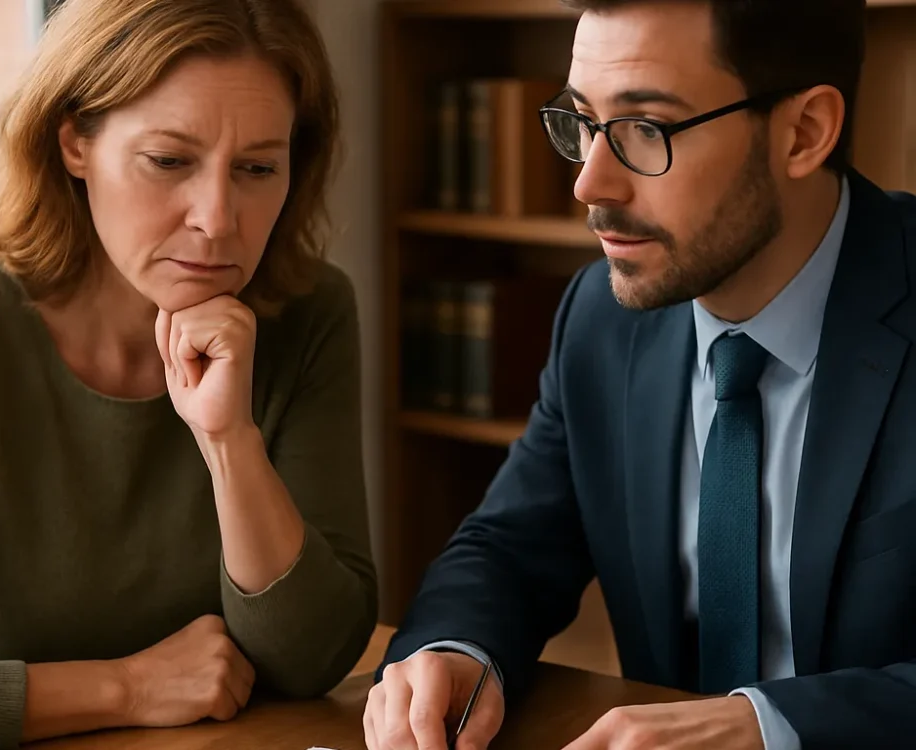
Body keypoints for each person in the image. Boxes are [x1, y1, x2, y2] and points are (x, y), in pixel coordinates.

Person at [365, 0, 916, 748]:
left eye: (644, 130)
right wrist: (452, 651)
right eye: (583, 123)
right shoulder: (601, 313)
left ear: (804, 132)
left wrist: (767, 728)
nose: (589, 185)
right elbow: (512, 548)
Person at [0, 0, 378, 747]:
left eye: (258, 167)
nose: (218, 217)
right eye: (169, 161)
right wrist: (125, 687)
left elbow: (314, 655)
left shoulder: (310, 314)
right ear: (74, 141)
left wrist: (230, 441)